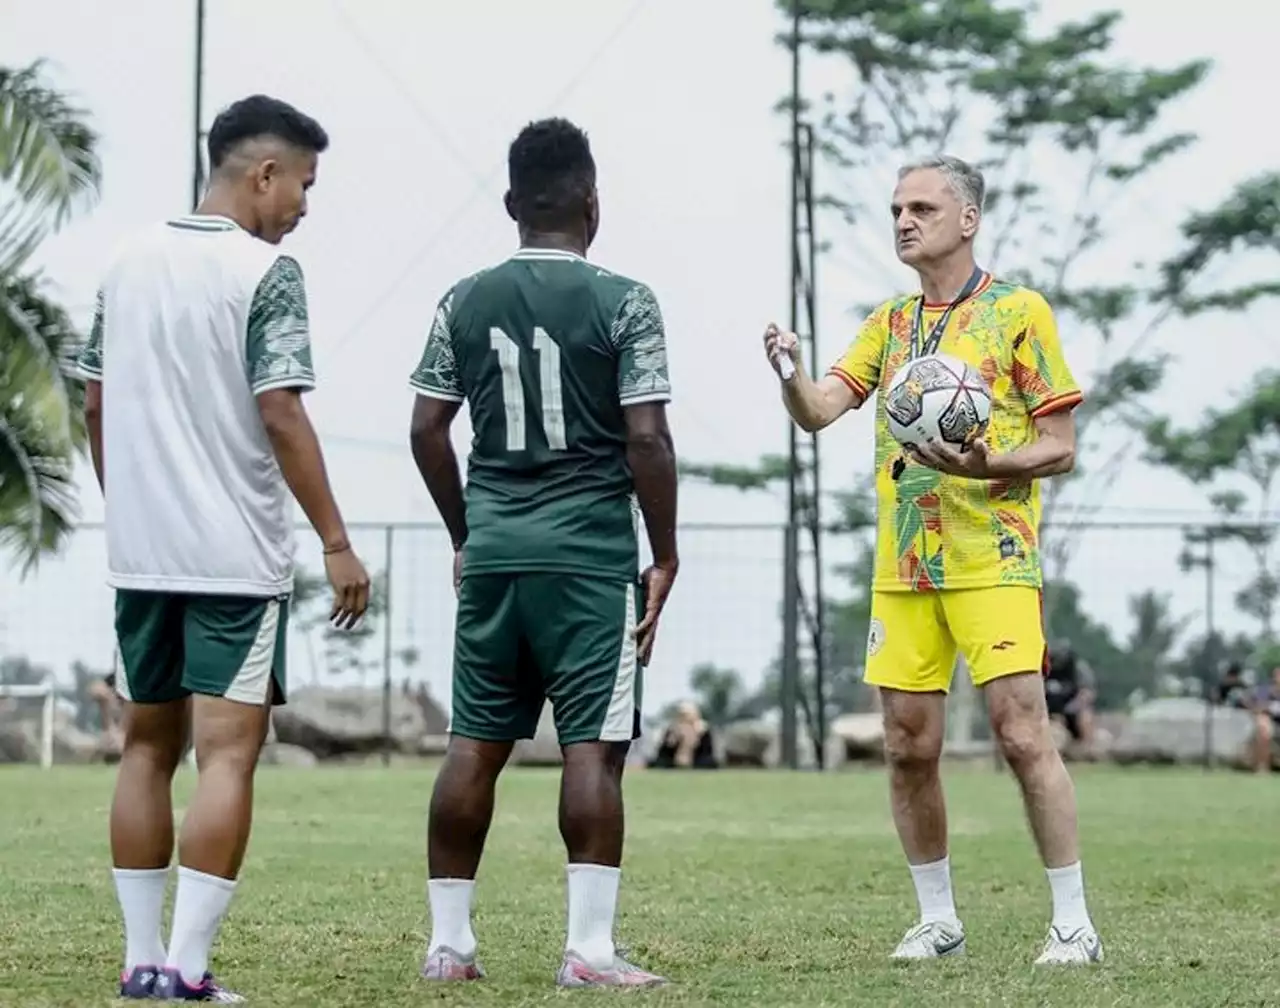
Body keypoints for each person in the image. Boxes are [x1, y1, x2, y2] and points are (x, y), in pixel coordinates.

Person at [763, 154, 1102, 965]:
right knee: (907, 743)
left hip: (995, 557)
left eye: (921, 206)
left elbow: (1059, 446)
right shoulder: (889, 324)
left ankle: (1072, 924)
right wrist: (788, 371)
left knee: (1022, 735)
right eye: (896, 209)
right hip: (906, 564)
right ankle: (938, 919)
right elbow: (819, 411)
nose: (904, 221)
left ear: (968, 218)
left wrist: (986, 466)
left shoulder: (1019, 313)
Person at [76, 94, 370, 1002]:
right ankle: (190, 970)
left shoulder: (122, 261)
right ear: (264, 173)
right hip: (235, 560)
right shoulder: (265, 272)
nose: (306, 209)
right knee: (229, 758)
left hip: (140, 557)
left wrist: (132, 508)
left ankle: (140, 963)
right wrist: (335, 541)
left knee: (143, 751)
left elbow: (92, 404)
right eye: (306, 186)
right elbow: (281, 409)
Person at [408, 117, 678, 989]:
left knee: (472, 744)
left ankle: (450, 946)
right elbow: (647, 441)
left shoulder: (463, 299)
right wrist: (662, 552)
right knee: (593, 749)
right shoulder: (626, 301)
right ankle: (590, 952)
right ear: (592, 203)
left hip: (495, 556)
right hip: (589, 560)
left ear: (512, 204)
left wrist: (467, 532)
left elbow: (425, 431)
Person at [1044, 643, 1097, 753]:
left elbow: (1087, 694)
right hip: (1049, 711)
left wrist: (1069, 708)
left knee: (1086, 716)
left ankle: (1088, 751)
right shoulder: (1043, 669)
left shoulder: (1078, 670)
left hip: (1072, 709)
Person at [649, 701, 718, 769]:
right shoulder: (672, 730)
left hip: (697, 763)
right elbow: (662, 755)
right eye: (682, 716)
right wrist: (672, 742)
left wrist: (694, 741)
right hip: (672, 764)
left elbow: (708, 755)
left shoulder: (704, 732)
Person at [1249, 666, 1280, 773]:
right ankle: (1262, 766)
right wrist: (1268, 707)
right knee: (1263, 727)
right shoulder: (1264, 691)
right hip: (1268, 719)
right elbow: (1256, 708)